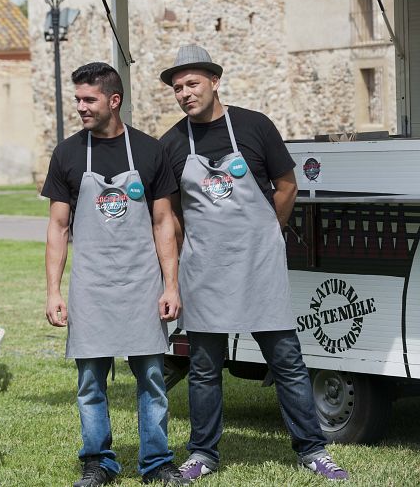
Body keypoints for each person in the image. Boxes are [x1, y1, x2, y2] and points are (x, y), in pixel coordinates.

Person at [158, 44, 349, 481]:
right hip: (204, 270)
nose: (185, 94)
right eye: (178, 88)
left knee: (287, 361)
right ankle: (203, 454)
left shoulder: (255, 126)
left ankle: (312, 450)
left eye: (192, 84)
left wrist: (268, 231)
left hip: (259, 265)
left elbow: (287, 185)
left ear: (214, 81)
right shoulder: (171, 143)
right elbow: (172, 214)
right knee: (204, 368)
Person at [42, 62, 188, 487]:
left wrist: (171, 285)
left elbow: (164, 222)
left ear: (114, 100)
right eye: (78, 99)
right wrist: (53, 292)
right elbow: (58, 227)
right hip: (90, 287)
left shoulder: (149, 151)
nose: (81, 107)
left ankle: (157, 462)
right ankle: (98, 462)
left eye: (89, 99)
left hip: (142, 285)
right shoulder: (67, 153)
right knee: (90, 382)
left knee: (153, 380)